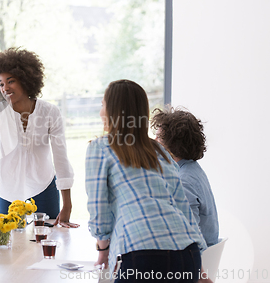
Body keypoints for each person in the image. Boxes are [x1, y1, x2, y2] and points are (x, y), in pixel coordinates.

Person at [85, 79, 212, 283]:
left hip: (143, 256)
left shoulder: (100, 148)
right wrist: (200, 271)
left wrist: (103, 250)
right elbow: (182, 207)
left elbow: (98, 208)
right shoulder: (159, 150)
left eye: (102, 104)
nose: (100, 112)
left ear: (113, 111)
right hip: (186, 253)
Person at [0, 47, 78, 228]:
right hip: (7, 190)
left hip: (44, 188)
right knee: (7, 246)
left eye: (11, 81)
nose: (5, 88)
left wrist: (68, 204)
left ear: (25, 79)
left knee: (47, 241)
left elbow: (61, 158)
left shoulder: (50, 112)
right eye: (1, 84)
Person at [151, 106, 219, 247]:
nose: (154, 141)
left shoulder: (183, 180)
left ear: (174, 144)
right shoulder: (192, 169)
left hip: (193, 261)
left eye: (159, 137)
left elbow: (188, 236)